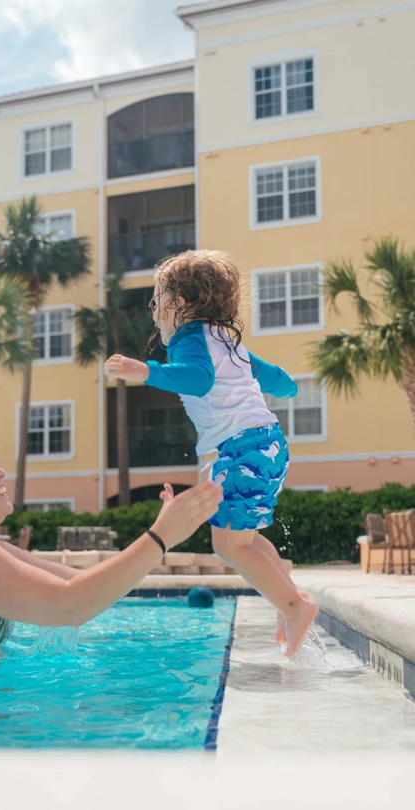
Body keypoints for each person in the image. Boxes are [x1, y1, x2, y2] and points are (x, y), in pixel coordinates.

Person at [104, 250, 318, 657]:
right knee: (247, 540)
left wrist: (145, 370)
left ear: (179, 304)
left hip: (239, 450)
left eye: (156, 301)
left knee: (227, 546)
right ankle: (288, 598)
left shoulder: (189, 340)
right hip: (269, 444)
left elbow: (198, 381)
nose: (154, 313)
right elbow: (280, 380)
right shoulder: (229, 342)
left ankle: (294, 607)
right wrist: (289, 388)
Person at [0, 430, 223, 678]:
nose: (0, 471)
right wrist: (160, 538)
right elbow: (71, 605)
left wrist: (164, 532)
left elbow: (86, 588)